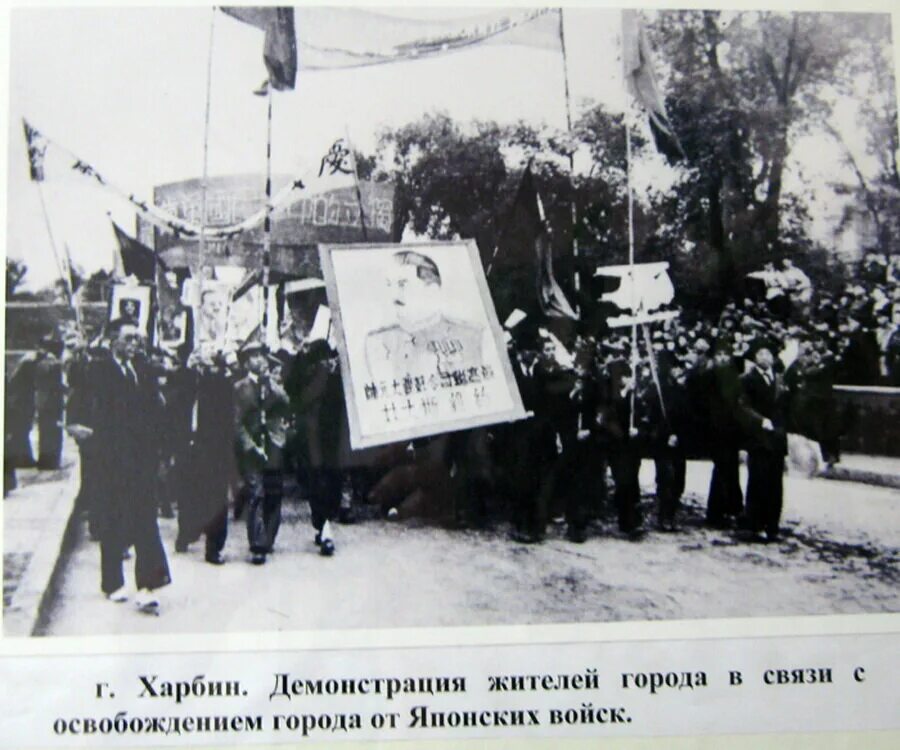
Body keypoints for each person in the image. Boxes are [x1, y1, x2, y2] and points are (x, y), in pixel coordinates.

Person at [66, 319, 171, 612]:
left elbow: (155, 410)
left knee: (145, 520)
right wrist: (77, 428)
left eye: (137, 338)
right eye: (129, 338)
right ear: (113, 340)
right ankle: (112, 582)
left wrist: (161, 451)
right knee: (113, 520)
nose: (135, 343)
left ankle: (148, 585)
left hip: (141, 459)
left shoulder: (142, 370)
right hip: (109, 460)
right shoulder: (98, 370)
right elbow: (77, 402)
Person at [365, 250, 484, 383]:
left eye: (402, 284)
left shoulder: (472, 336)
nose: (394, 296)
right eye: (389, 285)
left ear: (432, 290)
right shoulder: (378, 343)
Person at [233, 340, 290, 565]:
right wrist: (249, 445)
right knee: (256, 493)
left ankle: (268, 537)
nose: (260, 360)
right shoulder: (239, 388)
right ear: (247, 362)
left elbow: (286, 403)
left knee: (274, 492)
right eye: (255, 357)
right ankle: (257, 544)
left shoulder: (273, 385)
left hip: (273, 444)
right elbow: (236, 422)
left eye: (262, 356)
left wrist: (274, 385)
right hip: (251, 447)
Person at [738, 339, 788, 543]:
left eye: (768, 354)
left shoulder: (779, 379)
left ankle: (772, 525)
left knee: (775, 484)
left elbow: (787, 408)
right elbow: (742, 406)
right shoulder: (746, 379)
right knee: (758, 481)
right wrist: (760, 421)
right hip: (758, 438)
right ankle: (755, 524)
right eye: (761, 354)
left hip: (777, 438)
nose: (765, 358)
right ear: (755, 357)